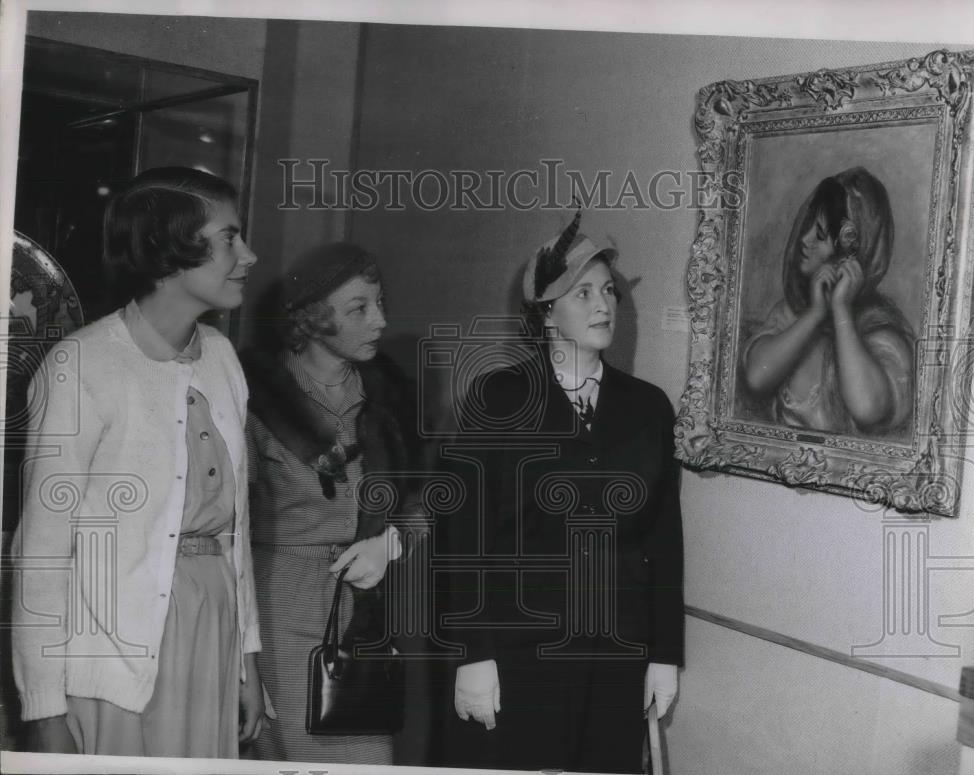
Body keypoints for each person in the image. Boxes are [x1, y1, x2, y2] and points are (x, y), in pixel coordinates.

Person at [11, 166, 267, 757]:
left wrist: (246, 658)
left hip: (212, 629)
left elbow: (239, 534)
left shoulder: (224, 358)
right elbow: (42, 555)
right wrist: (44, 708)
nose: (249, 255)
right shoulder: (82, 365)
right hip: (110, 649)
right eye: (230, 237)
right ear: (167, 249)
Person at [441, 212, 685, 774]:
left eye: (608, 292)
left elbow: (663, 539)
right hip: (520, 653)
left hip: (618, 654)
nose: (604, 306)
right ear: (546, 312)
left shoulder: (647, 407)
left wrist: (664, 656)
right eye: (583, 293)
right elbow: (464, 539)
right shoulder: (499, 400)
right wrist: (473, 656)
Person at [243, 242, 423, 764]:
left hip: (364, 612)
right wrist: (240, 654)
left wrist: (392, 543)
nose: (381, 321)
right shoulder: (256, 399)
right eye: (359, 309)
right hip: (280, 605)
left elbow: (420, 503)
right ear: (312, 319)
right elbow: (226, 523)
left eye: (380, 303)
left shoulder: (388, 393)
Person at [742, 166, 915, 439]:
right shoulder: (794, 313)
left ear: (851, 257)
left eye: (820, 235)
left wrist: (841, 310)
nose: (804, 239)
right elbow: (756, 378)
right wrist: (815, 314)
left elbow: (868, 407)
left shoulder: (880, 332)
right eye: (809, 225)